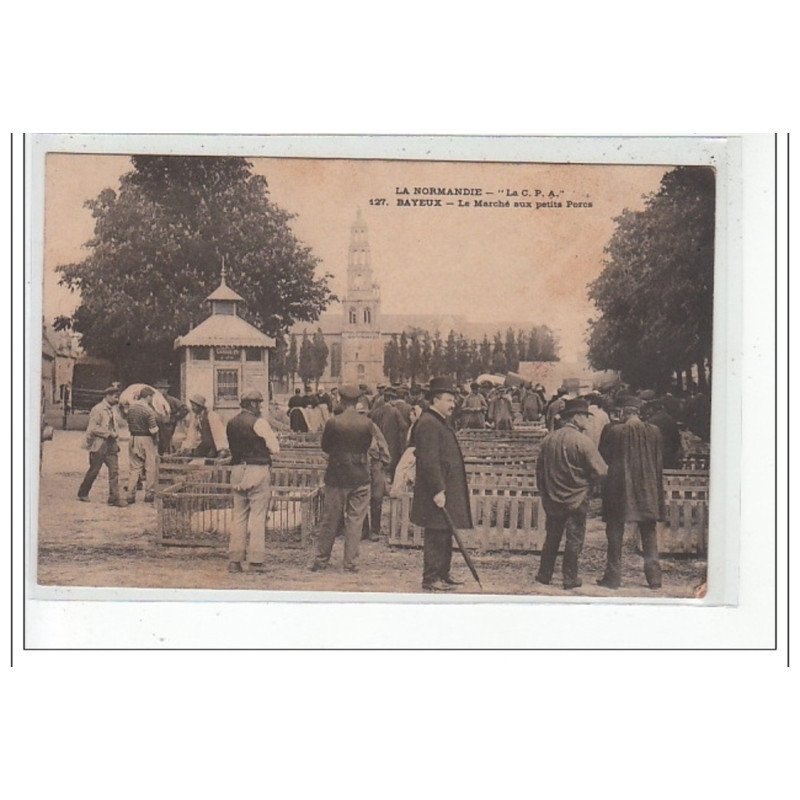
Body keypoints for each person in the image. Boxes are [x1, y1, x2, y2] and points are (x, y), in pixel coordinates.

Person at [535, 398, 608, 589]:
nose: (587, 420)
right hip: (577, 497)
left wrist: (545, 491)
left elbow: (539, 470)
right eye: (584, 416)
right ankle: (569, 578)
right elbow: (601, 471)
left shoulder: (548, 439)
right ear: (575, 417)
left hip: (552, 497)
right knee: (574, 538)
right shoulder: (583, 442)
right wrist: (590, 484)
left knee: (552, 537)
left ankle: (544, 574)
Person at [409, 376, 473, 592]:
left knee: (445, 532)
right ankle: (431, 578)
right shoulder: (428, 423)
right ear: (435, 400)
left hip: (444, 489)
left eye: (453, 400)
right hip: (435, 491)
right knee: (436, 534)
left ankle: (443, 574)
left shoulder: (438, 422)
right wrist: (438, 489)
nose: (453, 404)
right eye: (448, 399)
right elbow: (428, 460)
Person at [598, 398, 665, 590]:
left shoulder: (613, 431)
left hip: (619, 488)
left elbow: (604, 457)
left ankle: (613, 578)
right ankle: (654, 578)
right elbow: (659, 459)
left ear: (624, 413)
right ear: (638, 412)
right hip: (647, 488)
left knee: (615, 532)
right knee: (648, 531)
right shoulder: (654, 432)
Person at [311, 384, 373, 573]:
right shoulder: (367, 422)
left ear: (341, 400)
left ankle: (321, 560)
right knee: (355, 521)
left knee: (330, 518)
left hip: (337, 475)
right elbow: (367, 445)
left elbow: (326, 447)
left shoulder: (333, 422)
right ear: (358, 401)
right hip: (361, 474)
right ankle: (350, 563)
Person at [226, 390, 281, 573]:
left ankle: (235, 560)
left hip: (237, 471)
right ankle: (256, 560)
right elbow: (275, 449)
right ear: (253, 405)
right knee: (257, 516)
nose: (260, 407)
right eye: (259, 403)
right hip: (256, 469)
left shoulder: (231, 422)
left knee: (239, 516)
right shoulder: (260, 423)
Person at [77, 385, 127, 506]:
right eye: (115, 397)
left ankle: (114, 498)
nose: (117, 399)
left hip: (112, 445)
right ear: (107, 396)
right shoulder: (97, 409)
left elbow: (117, 423)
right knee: (94, 470)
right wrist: (108, 433)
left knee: (114, 471)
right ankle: (83, 493)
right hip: (99, 444)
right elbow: (93, 428)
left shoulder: (113, 410)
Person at [356, 400, 391, 541]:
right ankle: (364, 530)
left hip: (375, 465)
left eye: (363, 413)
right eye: (358, 414)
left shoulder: (373, 427)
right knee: (361, 498)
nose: (361, 417)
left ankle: (375, 530)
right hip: (359, 466)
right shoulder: (353, 429)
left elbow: (383, 444)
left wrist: (383, 461)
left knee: (377, 497)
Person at [126, 386, 161, 504]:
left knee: (134, 468)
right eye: (151, 397)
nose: (152, 400)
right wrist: (156, 440)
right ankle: (149, 494)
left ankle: (130, 495)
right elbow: (153, 429)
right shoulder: (148, 410)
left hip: (132, 438)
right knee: (150, 467)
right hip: (146, 439)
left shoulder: (131, 408)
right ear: (148, 397)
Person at [370, 386, 408, 479]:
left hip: (379, 440)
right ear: (391, 399)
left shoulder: (376, 412)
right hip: (392, 440)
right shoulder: (395, 411)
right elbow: (403, 426)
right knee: (392, 460)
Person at [153, 382, 189, 455]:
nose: (160, 391)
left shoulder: (172, 400)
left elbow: (185, 409)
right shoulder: (154, 400)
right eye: (158, 388)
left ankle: (167, 457)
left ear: (166, 390)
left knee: (166, 441)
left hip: (167, 425)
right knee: (157, 442)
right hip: (157, 423)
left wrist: (174, 418)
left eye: (162, 389)